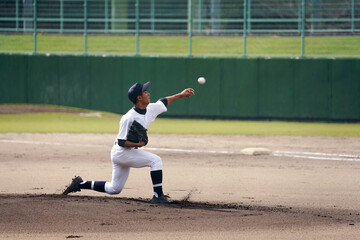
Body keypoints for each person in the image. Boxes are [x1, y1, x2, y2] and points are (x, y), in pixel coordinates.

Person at [62, 81, 195, 203]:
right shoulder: (128, 118)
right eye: (145, 92)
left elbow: (164, 102)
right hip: (122, 153)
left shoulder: (150, 108)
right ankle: (157, 196)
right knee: (156, 161)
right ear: (139, 98)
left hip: (125, 153)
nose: (148, 93)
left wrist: (181, 95)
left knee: (114, 189)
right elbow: (121, 142)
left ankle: (79, 184)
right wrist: (138, 144)